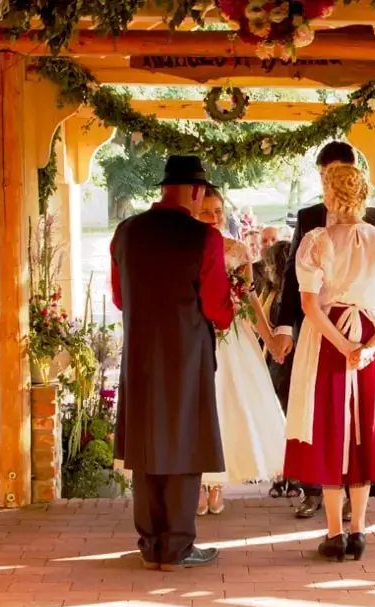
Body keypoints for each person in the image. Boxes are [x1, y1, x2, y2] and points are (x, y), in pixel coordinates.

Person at [271, 141, 375, 519]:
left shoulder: (318, 241)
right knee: (364, 424)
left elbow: (309, 304)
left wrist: (345, 344)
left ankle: (335, 531)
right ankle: (358, 529)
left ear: (331, 192)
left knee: (327, 422)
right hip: (369, 334)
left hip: (328, 333)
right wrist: (370, 346)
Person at [110, 155, 233, 570]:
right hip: (187, 351)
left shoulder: (126, 233)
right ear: (197, 191)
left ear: (165, 187)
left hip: (142, 350)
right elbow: (217, 306)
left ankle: (151, 542)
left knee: (146, 442)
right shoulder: (204, 237)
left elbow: (119, 297)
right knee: (185, 440)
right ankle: (177, 544)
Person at [195, 187, 287, 515]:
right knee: (200, 409)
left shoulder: (236, 250)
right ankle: (197, 484)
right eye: (206, 211)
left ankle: (216, 483)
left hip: (232, 336)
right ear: (193, 213)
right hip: (197, 336)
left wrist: (270, 337)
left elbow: (249, 299)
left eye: (218, 210)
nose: (214, 217)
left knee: (227, 409)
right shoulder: (187, 248)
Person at [259, 239, 302, 499]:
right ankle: (287, 476)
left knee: (283, 420)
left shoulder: (277, 297)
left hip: (282, 365)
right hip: (280, 364)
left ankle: (286, 476)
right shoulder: (273, 294)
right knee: (286, 421)